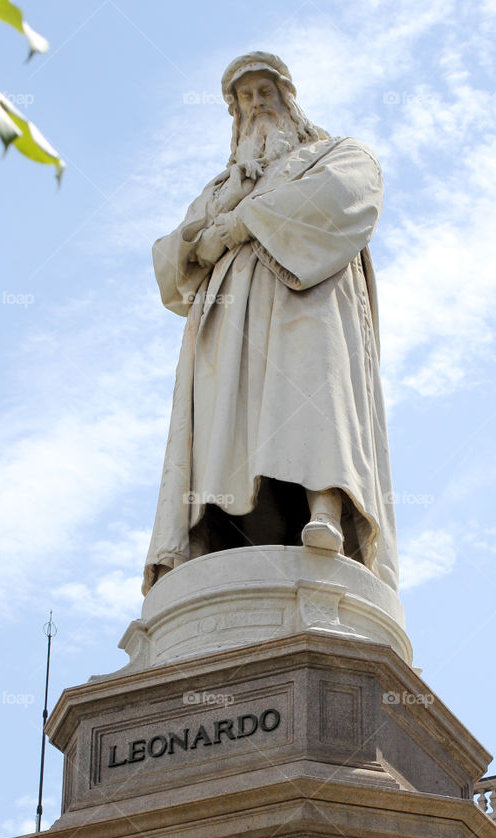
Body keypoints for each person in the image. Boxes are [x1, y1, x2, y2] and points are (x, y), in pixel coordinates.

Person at [144, 51, 398, 595]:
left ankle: (326, 506)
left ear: (288, 98)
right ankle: (216, 543)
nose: (257, 104)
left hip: (307, 300)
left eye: (266, 92)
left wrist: (244, 222)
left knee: (312, 403)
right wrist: (213, 231)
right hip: (226, 327)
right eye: (245, 97)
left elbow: (346, 197)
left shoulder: (338, 152)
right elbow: (170, 264)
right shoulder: (220, 188)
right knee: (227, 435)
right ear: (234, 112)